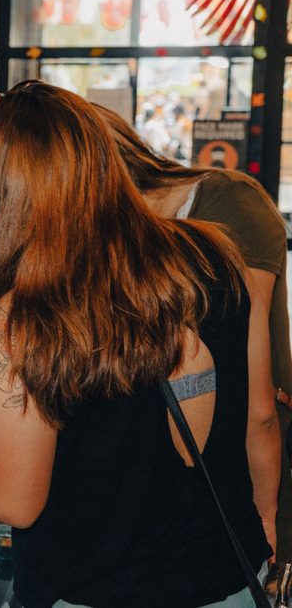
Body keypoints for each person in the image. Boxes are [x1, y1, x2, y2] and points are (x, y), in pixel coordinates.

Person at [0, 81, 270, 606]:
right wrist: (266, 523)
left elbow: (14, 501)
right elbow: (258, 412)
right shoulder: (215, 250)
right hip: (228, 580)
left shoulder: (26, 315)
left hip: (93, 591)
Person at [98, 103, 287, 571]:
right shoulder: (109, 232)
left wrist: (264, 515)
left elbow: (250, 383)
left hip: (247, 459)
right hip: (171, 469)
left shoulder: (228, 201)